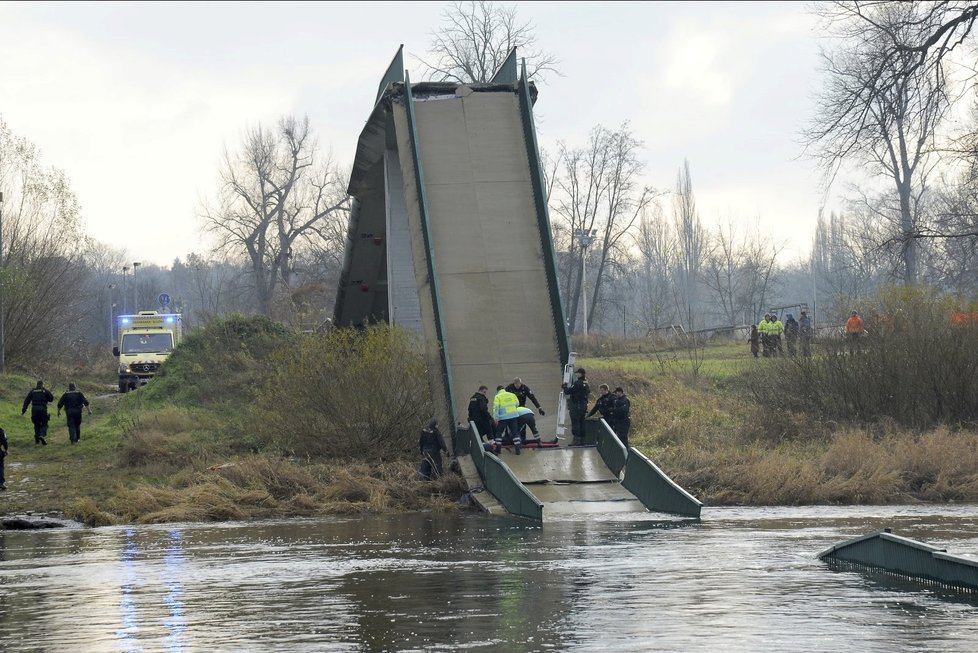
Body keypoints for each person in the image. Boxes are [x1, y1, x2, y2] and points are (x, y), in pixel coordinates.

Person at [21, 380, 54, 445]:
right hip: (43, 409)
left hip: (34, 409)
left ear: (37, 385)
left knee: (36, 424)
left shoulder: (32, 391)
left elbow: (27, 401)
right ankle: (41, 435)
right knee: (45, 423)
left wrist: (24, 410)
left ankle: (37, 440)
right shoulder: (44, 391)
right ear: (42, 385)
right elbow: (51, 399)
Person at [562, 368, 590, 446]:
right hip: (583, 405)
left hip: (577, 405)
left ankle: (576, 440)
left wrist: (564, 387)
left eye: (577, 373)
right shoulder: (586, 383)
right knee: (582, 422)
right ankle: (583, 440)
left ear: (580, 374)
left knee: (575, 422)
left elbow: (568, 391)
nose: (576, 374)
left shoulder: (578, 383)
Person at [492, 385, 522, 454]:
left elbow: (496, 408)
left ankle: (498, 449)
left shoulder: (497, 396)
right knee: (515, 433)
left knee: (499, 433)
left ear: (498, 391)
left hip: (503, 418)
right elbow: (517, 404)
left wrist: (496, 419)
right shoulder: (512, 394)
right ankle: (517, 449)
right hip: (513, 416)